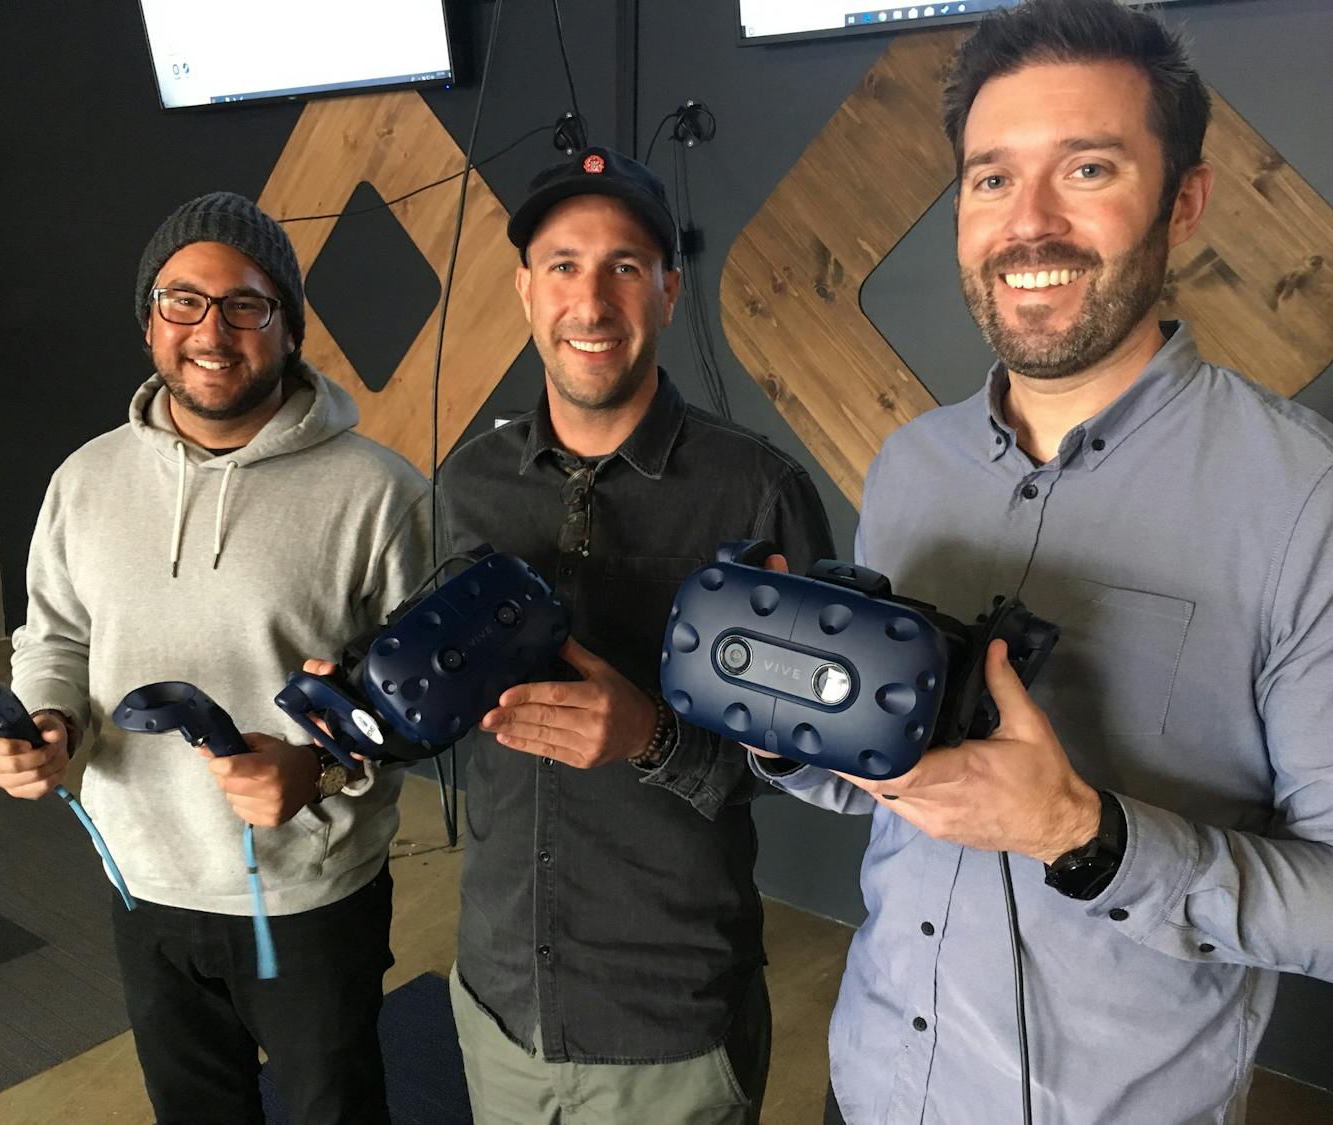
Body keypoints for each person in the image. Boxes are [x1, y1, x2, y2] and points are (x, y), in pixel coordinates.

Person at [752, 1, 1333, 1121]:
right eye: (988, 178)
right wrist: (785, 733)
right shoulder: (911, 464)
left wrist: (1085, 836)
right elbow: (895, 790)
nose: (1027, 225)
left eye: (1086, 169)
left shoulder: (1303, 503)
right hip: (867, 1082)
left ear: (1184, 200)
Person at [0, 192, 431, 1125]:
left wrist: (320, 767)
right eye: (183, 301)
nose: (211, 332)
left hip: (307, 892)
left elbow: (422, 701)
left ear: (288, 328)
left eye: (245, 305)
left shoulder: (379, 493)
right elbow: (54, 635)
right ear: (150, 324)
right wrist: (50, 718)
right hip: (142, 878)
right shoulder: (85, 480)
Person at [435, 147, 834, 1124]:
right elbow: (446, 711)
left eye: (624, 265)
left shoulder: (756, 496)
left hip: (665, 1021)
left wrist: (647, 737)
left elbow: (808, 764)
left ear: (666, 291)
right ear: (526, 291)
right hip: (497, 1001)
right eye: (563, 264)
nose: (591, 299)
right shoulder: (468, 483)